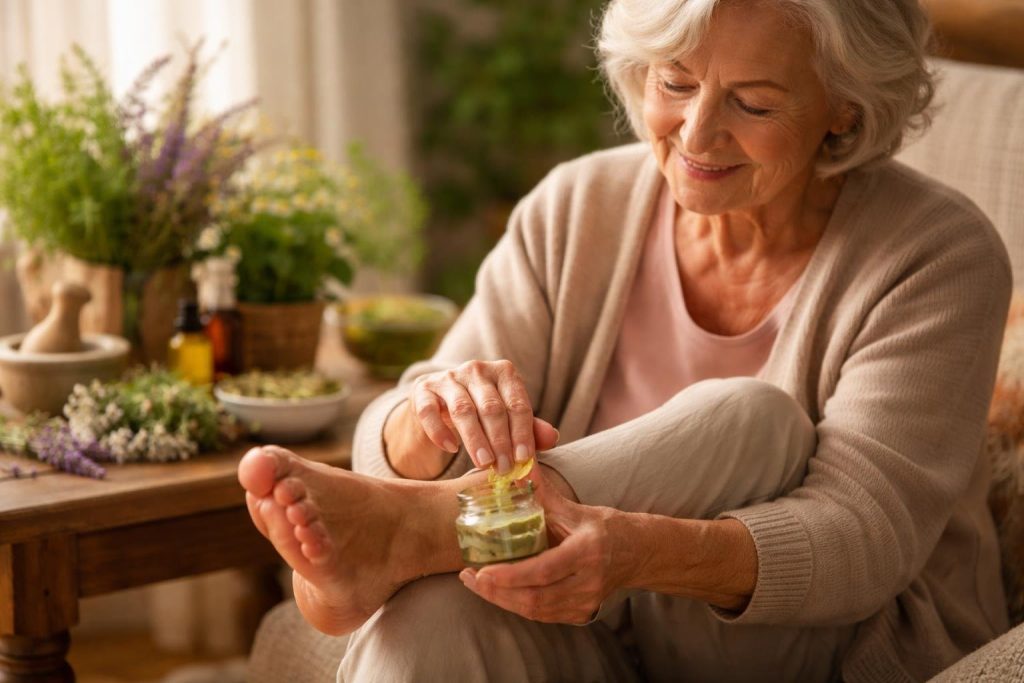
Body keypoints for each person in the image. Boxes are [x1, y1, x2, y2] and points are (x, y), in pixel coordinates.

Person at [238, 0, 1013, 679]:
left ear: (843, 108)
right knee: (432, 617)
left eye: (753, 103)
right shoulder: (577, 208)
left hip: (815, 648)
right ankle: (417, 535)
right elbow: (394, 443)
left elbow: (863, 537)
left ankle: (422, 531)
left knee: (757, 418)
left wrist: (636, 550)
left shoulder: (938, 253)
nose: (698, 132)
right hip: (589, 637)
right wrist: (430, 415)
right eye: (674, 83)